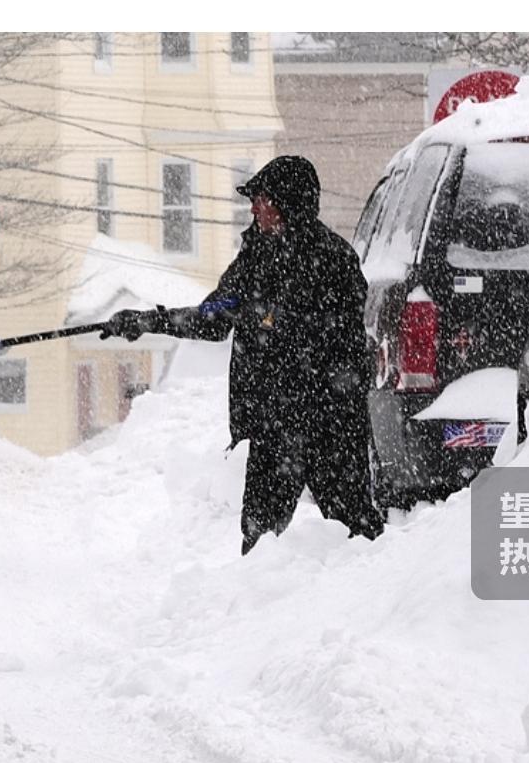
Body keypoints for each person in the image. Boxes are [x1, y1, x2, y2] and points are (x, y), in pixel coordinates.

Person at [101, 155, 384, 555]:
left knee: (357, 536)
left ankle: (377, 594)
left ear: (286, 202)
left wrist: (275, 321)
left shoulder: (334, 260)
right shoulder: (256, 258)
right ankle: (261, 598)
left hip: (330, 423)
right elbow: (213, 318)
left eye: (261, 199)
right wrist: (147, 321)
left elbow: (341, 344)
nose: (254, 209)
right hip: (274, 424)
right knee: (259, 542)